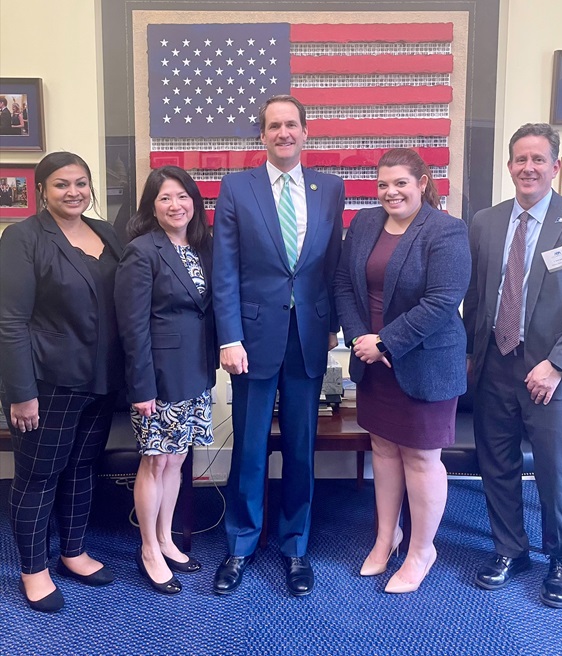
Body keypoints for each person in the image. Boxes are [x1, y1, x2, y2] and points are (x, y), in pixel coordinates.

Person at [212, 94, 344, 597]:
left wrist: (331, 325)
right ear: (262, 136)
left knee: (301, 447)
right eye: (274, 126)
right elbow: (225, 268)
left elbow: (332, 263)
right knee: (248, 447)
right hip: (252, 339)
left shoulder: (329, 188)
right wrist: (229, 336)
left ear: (305, 132)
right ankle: (240, 545)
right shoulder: (236, 187)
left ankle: (295, 546)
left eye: (292, 125)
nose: (284, 133)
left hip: (309, 337)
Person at [464, 123, 562, 608]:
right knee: (495, 464)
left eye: (538, 159)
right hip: (495, 365)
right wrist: (469, 354)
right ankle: (510, 550)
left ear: (555, 168)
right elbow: (476, 295)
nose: (528, 168)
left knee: (555, 471)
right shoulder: (485, 221)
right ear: (509, 167)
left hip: (553, 375)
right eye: (520, 159)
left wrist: (557, 365)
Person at [334, 148, 471, 593]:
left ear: (423, 182)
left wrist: (385, 342)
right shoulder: (364, 224)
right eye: (382, 184)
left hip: (425, 363)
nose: (390, 192)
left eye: (400, 183)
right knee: (384, 451)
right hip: (374, 365)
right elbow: (343, 284)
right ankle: (385, 538)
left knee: (420, 457)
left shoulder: (447, 231)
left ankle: (421, 550)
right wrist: (360, 340)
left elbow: (441, 302)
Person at [0, 152, 125, 613]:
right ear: (41, 191)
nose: (73, 192)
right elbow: (9, 321)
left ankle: (73, 553)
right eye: (60, 184)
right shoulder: (22, 238)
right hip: (47, 382)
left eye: (81, 182)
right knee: (37, 476)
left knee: (81, 469)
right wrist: (20, 392)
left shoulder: (105, 233)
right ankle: (33, 570)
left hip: (101, 378)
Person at [114, 165, 217, 596]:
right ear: (151, 208)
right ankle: (149, 548)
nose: (176, 205)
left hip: (195, 371)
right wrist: (141, 387)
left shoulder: (200, 249)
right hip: (157, 376)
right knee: (155, 461)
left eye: (182, 196)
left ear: (194, 201)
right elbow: (132, 327)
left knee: (176, 461)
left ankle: (166, 538)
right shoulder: (141, 251)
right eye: (164, 198)